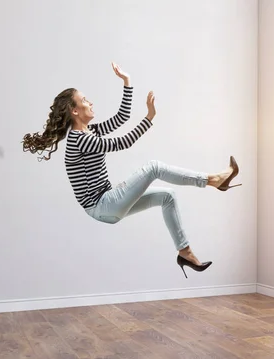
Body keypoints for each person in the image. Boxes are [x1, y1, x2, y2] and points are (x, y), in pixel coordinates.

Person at [22, 62, 241, 278]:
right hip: (102, 205)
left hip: (107, 202)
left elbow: (121, 118)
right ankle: (214, 180)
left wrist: (127, 82)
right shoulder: (79, 140)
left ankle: (185, 253)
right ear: (75, 110)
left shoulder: (91, 131)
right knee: (154, 167)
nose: (91, 102)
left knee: (167, 197)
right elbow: (123, 142)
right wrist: (149, 118)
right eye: (85, 100)